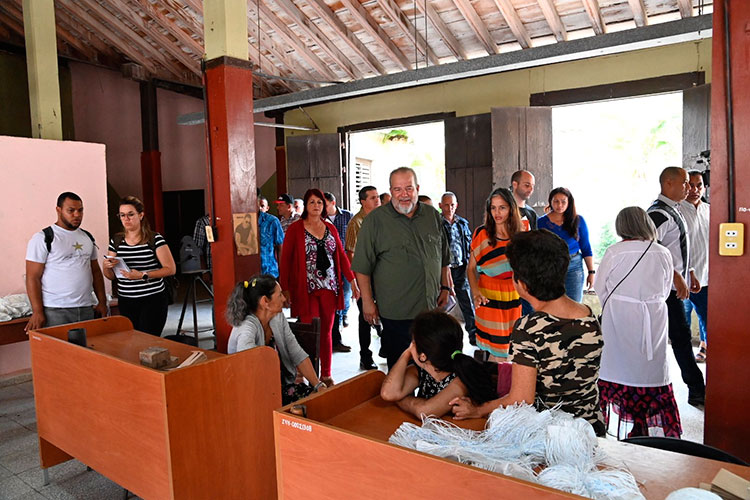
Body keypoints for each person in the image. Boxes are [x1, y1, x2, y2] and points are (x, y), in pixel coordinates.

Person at [451, 230, 605, 437]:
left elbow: (521, 399)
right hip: (592, 430)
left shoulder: (529, 328)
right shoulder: (588, 314)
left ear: (522, 284)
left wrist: (477, 410)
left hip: (553, 437)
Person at [352, 167, 452, 369]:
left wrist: (446, 287)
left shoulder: (432, 215)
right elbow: (362, 266)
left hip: (430, 307)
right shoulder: (375, 221)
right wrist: (368, 302)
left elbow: (443, 256)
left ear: (417, 188)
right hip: (396, 312)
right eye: (397, 189)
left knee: (432, 366)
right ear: (390, 191)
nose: (403, 194)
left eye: (408, 188)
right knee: (400, 368)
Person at [595, 207, 681, 438]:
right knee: (650, 367)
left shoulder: (614, 252)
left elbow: (600, 287)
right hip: (654, 315)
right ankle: (642, 424)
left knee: (618, 365)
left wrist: (618, 303)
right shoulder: (662, 252)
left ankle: (608, 426)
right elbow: (665, 290)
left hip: (619, 316)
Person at [279, 188, 360, 386]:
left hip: (329, 287)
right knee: (309, 331)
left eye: (319, 202)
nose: (316, 206)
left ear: (324, 206)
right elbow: (285, 260)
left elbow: (341, 255)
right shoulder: (296, 229)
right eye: (312, 202)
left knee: (327, 331)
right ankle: (304, 373)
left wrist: (352, 281)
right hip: (305, 289)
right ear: (306, 206)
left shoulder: (330, 228)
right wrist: (285, 288)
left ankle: (326, 374)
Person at [647, 166, 705, 407]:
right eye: (685, 183)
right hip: (663, 290)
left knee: (680, 336)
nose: (689, 188)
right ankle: (696, 389)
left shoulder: (675, 209)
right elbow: (649, 251)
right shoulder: (658, 214)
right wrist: (675, 276)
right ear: (668, 183)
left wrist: (688, 272)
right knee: (679, 337)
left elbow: (676, 248)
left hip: (675, 284)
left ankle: (695, 388)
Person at [226, 275, 326, 404]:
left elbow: (296, 353)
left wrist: (318, 385)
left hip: (278, 387)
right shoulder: (247, 328)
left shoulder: (277, 317)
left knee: (317, 399)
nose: (284, 298)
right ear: (265, 302)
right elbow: (249, 370)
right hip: (252, 393)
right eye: (279, 295)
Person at [380, 311, 497, 418]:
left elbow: (424, 412)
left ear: (423, 356)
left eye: (413, 343)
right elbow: (388, 394)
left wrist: (401, 400)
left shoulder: (460, 379)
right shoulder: (421, 371)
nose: (410, 347)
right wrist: (405, 355)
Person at [25, 192, 108, 330]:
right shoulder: (43, 238)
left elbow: (95, 271)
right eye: (71, 210)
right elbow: (32, 277)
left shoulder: (87, 237)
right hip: (55, 309)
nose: (77, 215)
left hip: (86, 308)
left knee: (88, 344)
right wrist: (37, 311)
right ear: (58, 210)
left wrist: (102, 302)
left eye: (80, 210)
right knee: (58, 345)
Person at [102, 196, 176, 336]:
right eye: (122, 215)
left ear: (141, 215)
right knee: (132, 339)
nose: (126, 219)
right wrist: (106, 266)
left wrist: (143, 275)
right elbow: (111, 276)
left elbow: (171, 269)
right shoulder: (116, 240)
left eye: (130, 214)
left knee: (149, 338)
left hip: (152, 298)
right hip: (126, 299)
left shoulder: (154, 239)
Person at [467, 188, 523, 360]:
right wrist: (475, 292)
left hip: (512, 294)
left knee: (511, 348)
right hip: (487, 294)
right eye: (493, 208)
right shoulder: (482, 233)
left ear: (511, 208)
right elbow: (470, 269)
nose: (497, 213)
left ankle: (504, 377)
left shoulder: (520, 234)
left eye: (502, 208)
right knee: (493, 350)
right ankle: (493, 375)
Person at [345, 186, 382, 370]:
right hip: (364, 277)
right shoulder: (356, 223)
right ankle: (365, 355)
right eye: (373, 198)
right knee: (365, 317)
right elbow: (350, 253)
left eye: (378, 197)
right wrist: (356, 282)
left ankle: (386, 346)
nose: (377, 200)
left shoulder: (382, 219)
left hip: (382, 275)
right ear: (363, 202)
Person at [536, 187, 595, 302]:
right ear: (550, 202)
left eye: (563, 201)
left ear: (569, 202)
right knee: (552, 303)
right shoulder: (541, 222)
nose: (560, 205)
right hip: (551, 266)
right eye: (556, 201)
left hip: (574, 265)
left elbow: (586, 248)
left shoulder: (578, 220)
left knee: (574, 302)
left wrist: (591, 272)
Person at [439, 192, 477, 346]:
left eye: (452, 205)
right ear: (440, 206)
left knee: (466, 301)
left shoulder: (462, 223)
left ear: (457, 205)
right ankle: (440, 337)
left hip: (460, 267)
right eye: (446, 205)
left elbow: (469, 245)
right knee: (441, 303)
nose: (450, 208)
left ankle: (473, 334)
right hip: (443, 270)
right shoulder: (437, 224)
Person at [681, 170, 710, 363]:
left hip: (706, 275)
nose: (695, 190)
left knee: (706, 317)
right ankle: (684, 356)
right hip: (683, 278)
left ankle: (704, 346)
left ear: (704, 187)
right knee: (682, 320)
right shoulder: (677, 211)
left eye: (699, 185)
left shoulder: (710, 210)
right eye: (690, 185)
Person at [323, 191, 354, 352]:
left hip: (346, 260)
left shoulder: (348, 216)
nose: (321, 207)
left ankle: (343, 315)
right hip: (327, 267)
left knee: (346, 291)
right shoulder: (319, 220)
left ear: (333, 203)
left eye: (324, 204)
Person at [258, 196, 285, 278]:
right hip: (249, 271)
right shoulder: (243, 221)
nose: (259, 208)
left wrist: (282, 271)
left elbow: (280, 246)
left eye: (262, 205)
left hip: (269, 271)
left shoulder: (272, 221)